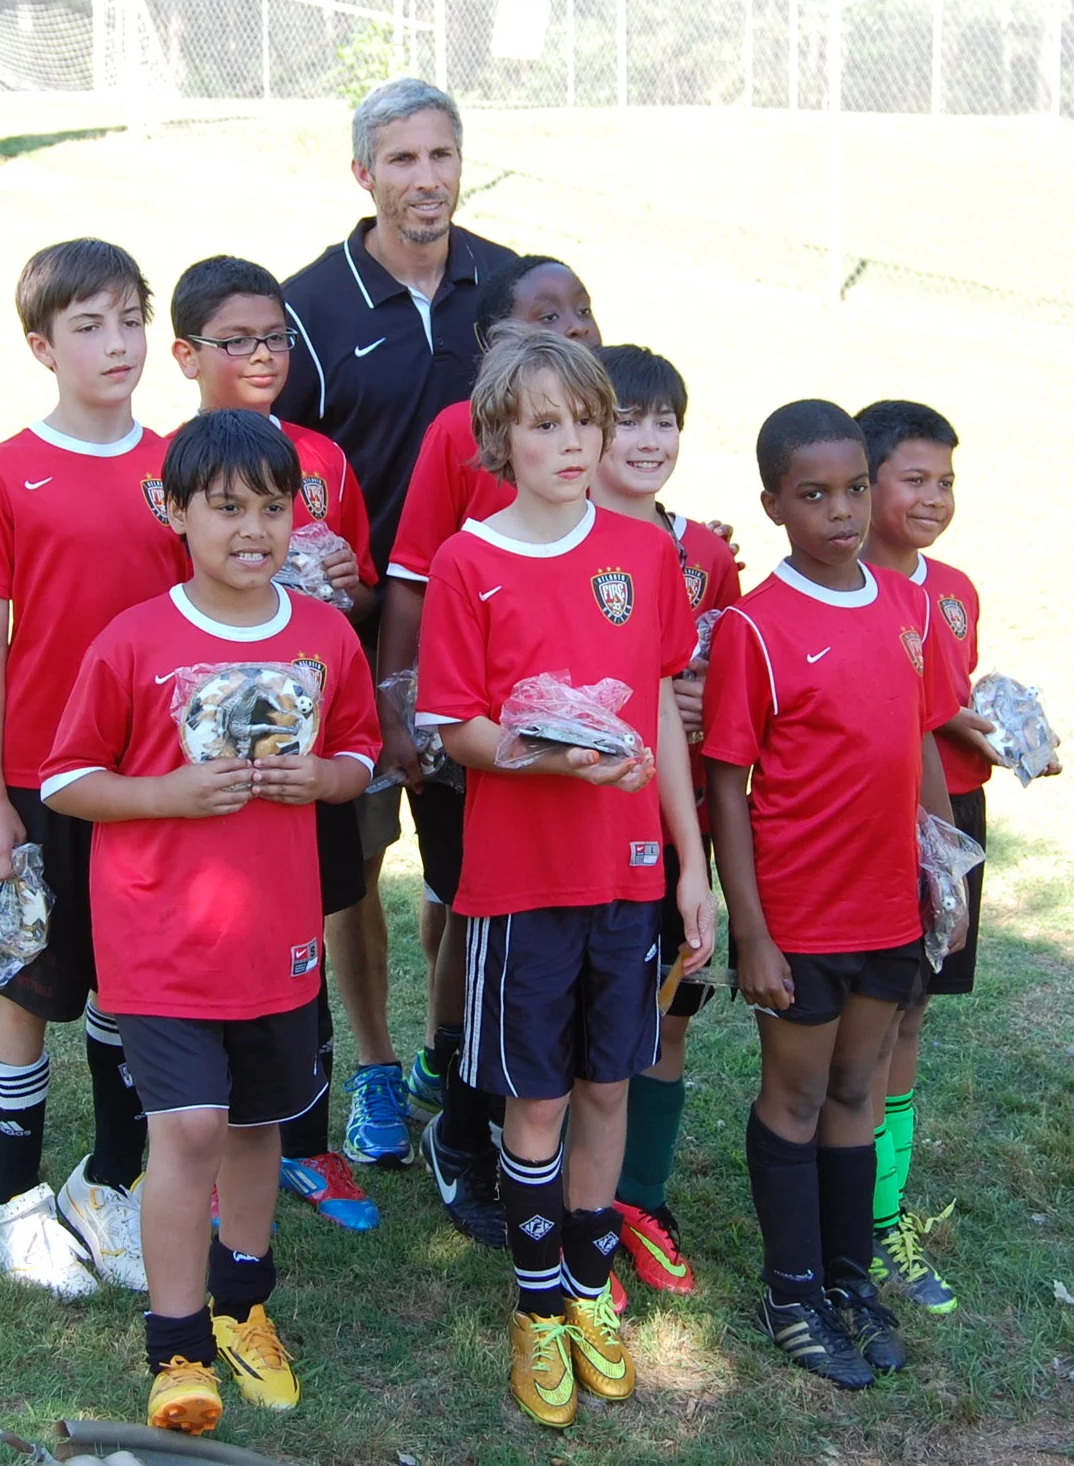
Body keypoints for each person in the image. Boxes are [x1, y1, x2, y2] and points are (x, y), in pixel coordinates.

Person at [42, 410, 379, 1435]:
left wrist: (325, 777)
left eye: (273, 509)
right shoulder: (134, 639)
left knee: (255, 1125)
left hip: (275, 940)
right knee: (187, 1129)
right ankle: (177, 1345)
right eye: (227, 508)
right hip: (159, 940)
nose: (252, 529)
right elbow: (66, 779)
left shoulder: (323, 636)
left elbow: (361, 752)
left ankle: (243, 1305)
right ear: (175, 511)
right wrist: (166, 796)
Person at [416, 327, 711, 1429]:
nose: (574, 443)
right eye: (546, 424)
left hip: (628, 879)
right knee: (535, 1097)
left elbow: (661, 711)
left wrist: (689, 865)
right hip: (520, 884)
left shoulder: (643, 554)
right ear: (502, 437)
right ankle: (537, 1304)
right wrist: (547, 753)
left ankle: (589, 1289)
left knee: (608, 1086)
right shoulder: (469, 562)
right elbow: (456, 727)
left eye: (588, 420)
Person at [277, 78, 518, 1173]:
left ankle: (444, 1045)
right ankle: (375, 1069)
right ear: (363, 173)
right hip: (358, 643)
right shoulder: (308, 308)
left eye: (442, 155)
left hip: (490, 650)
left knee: (469, 867)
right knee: (356, 866)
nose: (426, 179)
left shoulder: (510, 287)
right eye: (403, 160)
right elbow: (271, 470)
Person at [700, 400, 964, 1391]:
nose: (842, 511)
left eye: (855, 488)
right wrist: (752, 933)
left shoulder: (905, 608)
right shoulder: (755, 628)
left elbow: (921, 741)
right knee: (798, 1096)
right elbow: (727, 781)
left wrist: (945, 876)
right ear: (773, 504)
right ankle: (791, 1290)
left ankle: (850, 1278)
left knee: (858, 1092)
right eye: (814, 495)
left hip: (890, 908)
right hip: (802, 919)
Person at [0, 239, 184, 1299]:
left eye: (130, 320)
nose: (116, 343)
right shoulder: (7, 471)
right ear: (42, 348)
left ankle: (108, 1182)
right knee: (26, 987)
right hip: (40, 785)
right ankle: (9, 1199)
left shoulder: (178, 466)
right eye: (87, 326)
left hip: (149, 786)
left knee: (130, 986)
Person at [381, 254, 601, 1249]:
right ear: (494, 341)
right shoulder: (458, 437)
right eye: (544, 315)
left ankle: (549, 1137)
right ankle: (464, 1124)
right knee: (481, 929)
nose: (572, 325)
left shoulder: (600, 426)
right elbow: (413, 578)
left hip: (593, 767)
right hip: (480, 743)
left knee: (565, 953)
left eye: (581, 309)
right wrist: (402, 712)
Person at [167, 255, 381, 1232]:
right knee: (212, 942)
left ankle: (306, 1140)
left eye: (276, 338)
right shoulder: (166, 463)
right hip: (202, 763)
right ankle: (205, 1146)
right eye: (238, 340)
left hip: (304, 754)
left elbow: (362, 592)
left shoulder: (322, 458)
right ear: (188, 354)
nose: (262, 355)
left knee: (306, 934)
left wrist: (332, 582)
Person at [853, 399, 1016, 1314]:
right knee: (868, 1020)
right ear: (863, 482)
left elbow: (952, 698)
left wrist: (1008, 736)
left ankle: (885, 1213)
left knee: (913, 1015)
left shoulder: (954, 589)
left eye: (946, 481)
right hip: (879, 818)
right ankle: (853, 1211)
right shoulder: (850, 586)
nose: (935, 497)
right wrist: (956, 718)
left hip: (955, 817)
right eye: (913, 479)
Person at [589, 343, 739, 1299]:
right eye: (627, 420)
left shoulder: (705, 554)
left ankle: (639, 1198)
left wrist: (701, 702)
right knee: (576, 1028)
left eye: (665, 421)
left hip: (678, 823)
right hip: (579, 822)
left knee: (665, 1015)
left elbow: (732, 680)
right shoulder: (552, 535)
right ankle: (566, 1202)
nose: (649, 440)